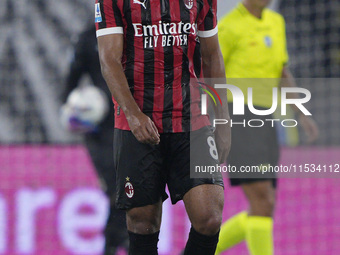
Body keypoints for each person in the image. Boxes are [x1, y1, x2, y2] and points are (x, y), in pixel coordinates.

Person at [95, 0, 231, 254]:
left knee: (210, 217)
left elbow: (212, 55)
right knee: (142, 223)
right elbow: (109, 59)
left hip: (191, 119)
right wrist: (134, 115)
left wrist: (223, 120)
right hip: (138, 124)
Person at [215, 1, 319, 255]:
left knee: (263, 205)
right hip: (238, 117)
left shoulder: (276, 22)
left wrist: (302, 114)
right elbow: (211, 74)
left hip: (266, 119)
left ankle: (201, 249)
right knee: (263, 199)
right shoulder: (229, 27)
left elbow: (282, 71)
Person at [62, 24, 128, 255]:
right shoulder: (88, 37)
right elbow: (70, 83)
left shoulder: (139, 34)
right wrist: (73, 112)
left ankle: (114, 244)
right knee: (118, 189)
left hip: (134, 124)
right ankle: (119, 243)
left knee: (132, 190)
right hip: (101, 130)